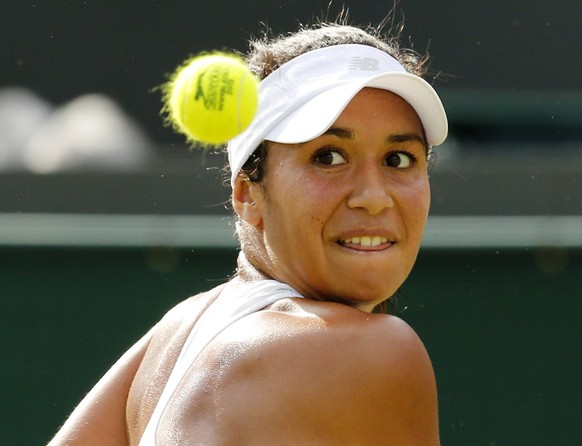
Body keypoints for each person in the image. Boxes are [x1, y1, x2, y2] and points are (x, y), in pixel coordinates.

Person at [48, 16, 448, 446]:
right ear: (247, 193)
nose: (374, 197)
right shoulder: (377, 350)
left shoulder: (176, 334)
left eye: (399, 159)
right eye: (329, 157)